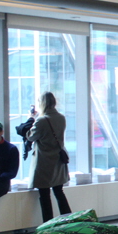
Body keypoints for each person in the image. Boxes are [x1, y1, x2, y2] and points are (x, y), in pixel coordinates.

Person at [25, 92, 72, 223]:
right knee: (59, 192)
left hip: (44, 161)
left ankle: (48, 223)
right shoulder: (61, 118)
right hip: (58, 160)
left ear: (42, 103)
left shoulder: (41, 120)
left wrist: (31, 119)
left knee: (44, 195)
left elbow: (31, 136)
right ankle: (69, 220)